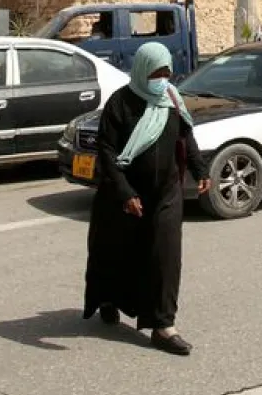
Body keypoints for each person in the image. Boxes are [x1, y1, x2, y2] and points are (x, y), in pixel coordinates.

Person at [83, 43, 210, 356]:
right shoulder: (121, 103)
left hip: (166, 192)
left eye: (167, 72)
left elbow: (186, 136)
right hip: (125, 192)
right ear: (142, 71)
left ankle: (163, 326)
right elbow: (108, 153)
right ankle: (109, 298)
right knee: (118, 252)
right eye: (156, 73)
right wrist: (125, 192)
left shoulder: (170, 98)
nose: (162, 78)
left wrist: (200, 169)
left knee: (166, 257)